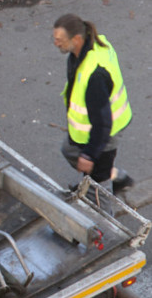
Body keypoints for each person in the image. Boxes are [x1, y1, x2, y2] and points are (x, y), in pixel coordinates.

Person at [52, 14, 134, 195]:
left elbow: (103, 124)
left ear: (76, 39)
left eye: (60, 40)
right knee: (69, 150)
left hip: (104, 133)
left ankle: (102, 210)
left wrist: (90, 155)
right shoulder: (89, 48)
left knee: (100, 191)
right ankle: (114, 177)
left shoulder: (94, 75)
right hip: (92, 128)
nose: (56, 43)